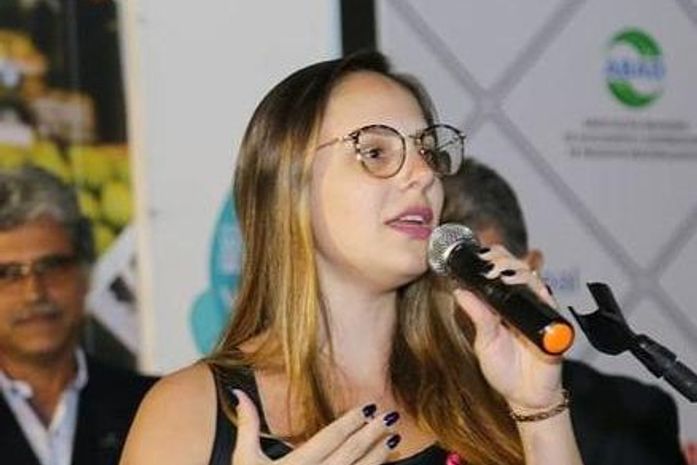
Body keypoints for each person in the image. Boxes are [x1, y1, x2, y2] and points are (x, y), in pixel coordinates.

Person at [120, 51, 584, 465]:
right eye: (375, 152)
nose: (423, 174)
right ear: (289, 187)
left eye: (428, 151)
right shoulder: (189, 411)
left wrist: (539, 410)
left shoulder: (485, 389)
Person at [441, 158, 688, 465]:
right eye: (438, 283)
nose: (465, 301)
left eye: (483, 280)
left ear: (530, 268)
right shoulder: (399, 411)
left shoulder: (629, 416)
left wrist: (543, 414)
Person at [0, 166, 156, 465]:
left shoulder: (154, 406)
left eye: (51, 266)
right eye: (8, 274)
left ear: (85, 276)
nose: (34, 292)